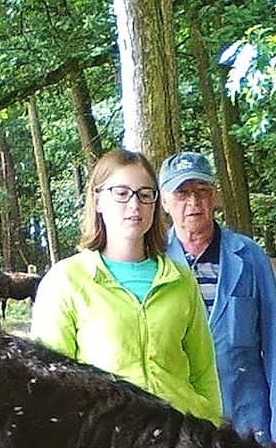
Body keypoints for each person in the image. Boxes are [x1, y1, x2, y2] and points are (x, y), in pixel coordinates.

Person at [33, 148, 222, 424]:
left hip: (181, 446)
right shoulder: (67, 281)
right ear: (97, 200)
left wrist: (213, 432)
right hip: (107, 447)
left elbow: (204, 374)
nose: (135, 205)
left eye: (145, 194)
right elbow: (49, 383)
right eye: (121, 193)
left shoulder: (180, 280)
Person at [158, 151, 276, 448]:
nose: (193, 202)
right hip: (181, 419)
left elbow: (275, 340)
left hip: (248, 418)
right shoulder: (155, 261)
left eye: (202, 191)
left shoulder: (249, 257)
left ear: (215, 196)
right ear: (164, 201)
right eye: (182, 193)